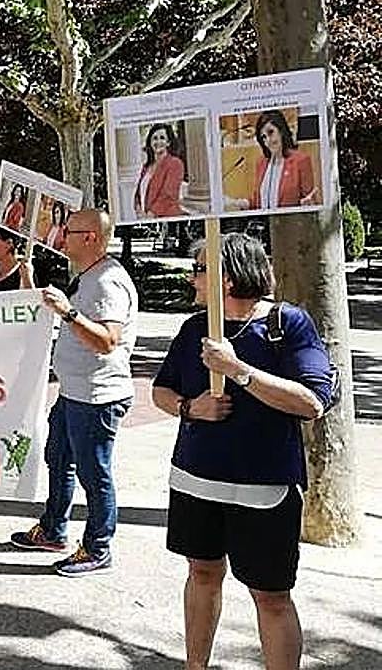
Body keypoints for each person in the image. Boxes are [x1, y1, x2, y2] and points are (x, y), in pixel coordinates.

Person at [151, 233, 332, 670]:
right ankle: (195, 666)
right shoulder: (196, 327)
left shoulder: (287, 324)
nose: (192, 278)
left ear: (226, 278)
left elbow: (313, 402)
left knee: (270, 596)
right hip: (195, 480)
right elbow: (161, 390)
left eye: (199, 269)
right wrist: (190, 408)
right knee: (202, 573)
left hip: (264, 489)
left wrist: (238, 370)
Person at [10, 208, 137, 576]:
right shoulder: (89, 276)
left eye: (70, 230)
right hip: (75, 393)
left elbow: (108, 340)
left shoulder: (106, 282)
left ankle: (98, 547)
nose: (62, 236)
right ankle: (53, 529)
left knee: (93, 473)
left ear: (91, 237)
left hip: (98, 397)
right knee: (59, 458)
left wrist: (68, 314)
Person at [227, 111, 317, 211]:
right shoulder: (261, 163)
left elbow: (310, 199)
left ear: (281, 131)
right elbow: (257, 200)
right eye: (264, 137)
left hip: (292, 223)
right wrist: (237, 203)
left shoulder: (301, 160)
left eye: (271, 132)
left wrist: (308, 204)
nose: (268, 141)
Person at [134, 123, 186, 218]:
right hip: (145, 218)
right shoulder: (146, 167)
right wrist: (138, 211)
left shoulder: (175, 163)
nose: (158, 142)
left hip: (167, 217)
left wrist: (150, 215)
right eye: (154, 138)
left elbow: (168, 195)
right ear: (150, 142)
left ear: (168, 142)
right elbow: (138, 194)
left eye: (162, 138)